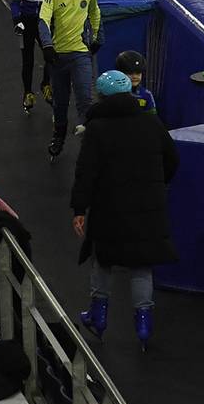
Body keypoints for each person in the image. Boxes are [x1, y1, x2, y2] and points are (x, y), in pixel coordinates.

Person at [72, 68, 178, 350]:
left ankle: (98, 316)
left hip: (110, 207)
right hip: (148, 206)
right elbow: (172, 159)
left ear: (102, 97)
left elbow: (86, 172)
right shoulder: (152, 123)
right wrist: (157, 184)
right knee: (142, 265)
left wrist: (79, 208)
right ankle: (144, 325)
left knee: (103, 259)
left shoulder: (97, 129)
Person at [39, 0, 101, 160]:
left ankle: (90, 142)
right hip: (57, 55)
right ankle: (59, 136)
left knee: (85, 98)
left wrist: (96, 39)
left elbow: (95, 13)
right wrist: (47, 45)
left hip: (80, 53)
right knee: (60, 101)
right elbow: (43, 19)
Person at [11, 0, 55, 112]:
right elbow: (15, 2)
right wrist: (17, 20)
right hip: (27, 23)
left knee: (50, 55)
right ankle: (28, 92)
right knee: (27, 60)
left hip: (46, 23)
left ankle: (45, 84)